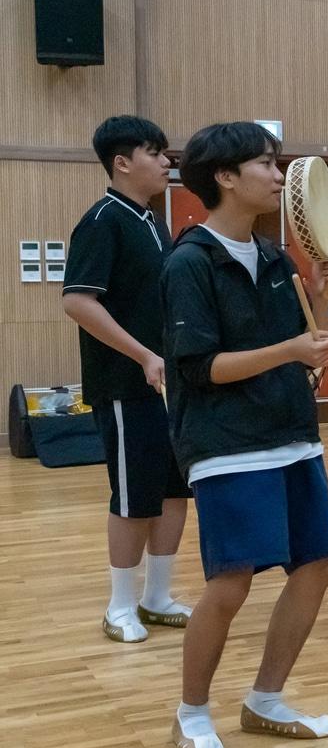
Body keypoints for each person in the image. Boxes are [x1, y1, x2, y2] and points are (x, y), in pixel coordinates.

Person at [161, 121, 328, 748]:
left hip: (291, 434)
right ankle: (190, 714)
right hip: (225, 443)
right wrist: (291, 349)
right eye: (265, 165)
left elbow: (309, 356)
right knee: (231, 581)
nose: (278, 175)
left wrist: (322, 301)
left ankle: (266, 698)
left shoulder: (271, 256)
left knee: (319, 563)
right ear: (225, 177)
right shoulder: (189, 262)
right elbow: (200, 368)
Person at [62, 115, 192, 643]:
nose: (166, 162)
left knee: (174, 492)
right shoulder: (102, 222)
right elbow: (77, 301)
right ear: (122, 162)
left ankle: (157, 596)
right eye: (155, 152)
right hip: (124, 385)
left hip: (170, 386)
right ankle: (120, 606)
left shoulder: (151, 221)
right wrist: (142, 355)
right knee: (134, 495)